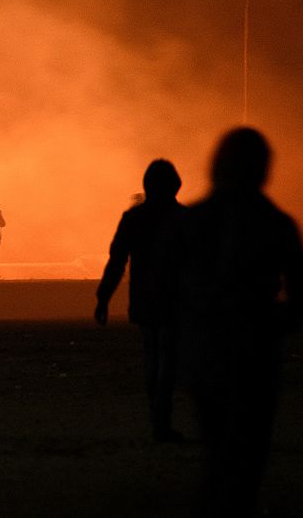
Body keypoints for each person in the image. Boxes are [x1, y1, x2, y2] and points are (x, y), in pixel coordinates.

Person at [181, 127, 303, 514]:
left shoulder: (193, 220)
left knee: (216, 447)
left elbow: (166, 282)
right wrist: (278, 323)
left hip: (205, 351)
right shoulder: (274, 222)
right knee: (247, 453)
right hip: (255, 353)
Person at [95, 159, 186, 442]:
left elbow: (117, 261)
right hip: (175, 300)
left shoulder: (133, 219)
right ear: (175, 186)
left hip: (145, 297)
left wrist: (103, 298)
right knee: (168, 359)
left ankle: (156, 417)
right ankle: (162, 418)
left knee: (152, 356)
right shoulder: (184, 219)